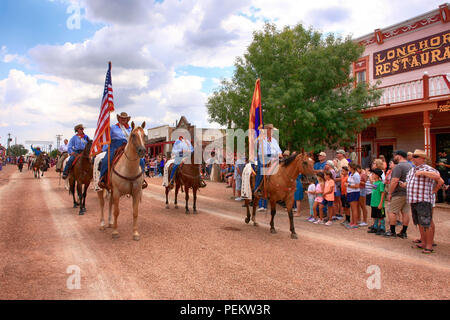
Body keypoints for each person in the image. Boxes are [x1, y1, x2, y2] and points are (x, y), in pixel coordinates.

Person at [405, 149, 444, 254]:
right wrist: (405, 185)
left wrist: (434, 190)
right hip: (414, 199)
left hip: (423, 199)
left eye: (416, 156)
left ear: (422, 158)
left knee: (427, 222)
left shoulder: (428, 169)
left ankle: (429, 245)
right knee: (419, 222)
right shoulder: (412, 170)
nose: (414, 158)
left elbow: (438, 178)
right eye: (413, 156)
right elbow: (409, 182)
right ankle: (423, 241)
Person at [98, 112, 147, 189]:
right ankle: (102, 179)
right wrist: (105, 148)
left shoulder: (131, 129)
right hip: (115, 146)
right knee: (106, 159)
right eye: (122, 118)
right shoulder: (113, 128)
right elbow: (107, 138)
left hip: (127, 147)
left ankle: (142, 179)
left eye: (125, 118)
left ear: (127, 119)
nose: (123, 119)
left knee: (141, 161)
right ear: (119, 119)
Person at [384, 150, 412, 239]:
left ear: (399, 156)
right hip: (408, 192)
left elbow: (394, 181)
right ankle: (403, 232)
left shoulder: (398, 167)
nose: (394, 157)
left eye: (395, 156)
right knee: (405, 212)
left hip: (398, 193)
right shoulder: (410, 165)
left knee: (392, 211)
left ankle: (392, 232)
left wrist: (390, 193)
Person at [254, 124, 282, 197]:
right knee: (261, 171)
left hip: (274, 158)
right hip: (263, 157)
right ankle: (257, 189)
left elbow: (279, 150)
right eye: (270, 130)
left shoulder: (274, 141)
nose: (271, 131)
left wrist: (280, 155)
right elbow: (254, 144)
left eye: (272, 130)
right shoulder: (261, 139)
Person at [367, 168, 387, 235]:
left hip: (379, 203)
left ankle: (382, 227)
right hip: (374, 202)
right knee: (374, 215)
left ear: (377, 175)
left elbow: (382, 193)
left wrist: (381, 203)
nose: (372, 175)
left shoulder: (380, 183)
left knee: (380, 216)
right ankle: (375, 227)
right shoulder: (375, 183)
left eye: (373, 174)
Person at [345, 162, 360, 229]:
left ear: (352, 168)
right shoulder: (351, 174)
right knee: (352, 208)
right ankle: (352, 222)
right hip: (350, 192)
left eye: (348, 167)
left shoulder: (356, 175)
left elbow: (357, 185)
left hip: (354, 192)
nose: (348, 168)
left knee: (354, 208)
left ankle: (355, 223)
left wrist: (348, 185)